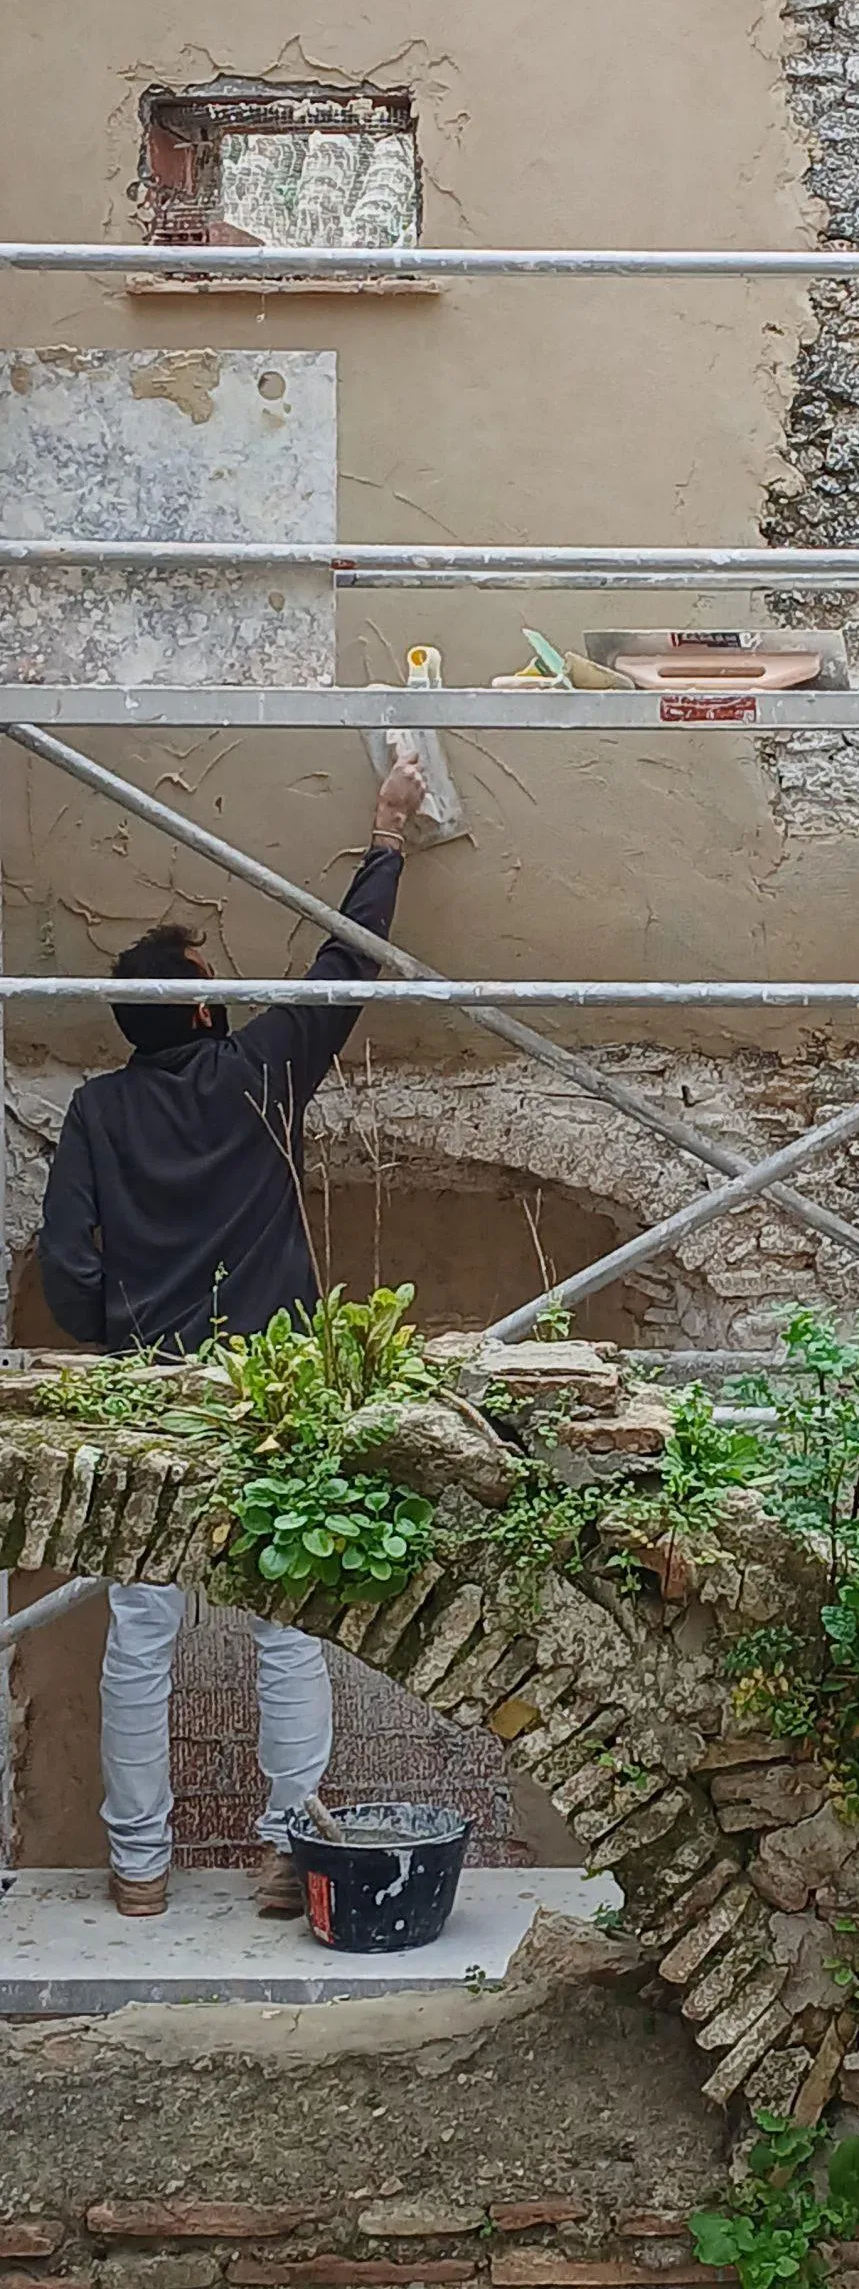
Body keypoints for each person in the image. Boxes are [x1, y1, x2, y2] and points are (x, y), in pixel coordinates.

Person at [37, 754, 429, 1919]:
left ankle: (140, 1869)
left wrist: (115, 1335)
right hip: (270, 1385)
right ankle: (288, 1853)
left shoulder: (97, 1110)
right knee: (288, 1630)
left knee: (140, 1632)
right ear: (207, 1009)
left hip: (151, 1388)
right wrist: (388, 834)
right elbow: (342, 969)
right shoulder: (259, 1073)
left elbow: (65, 1258)